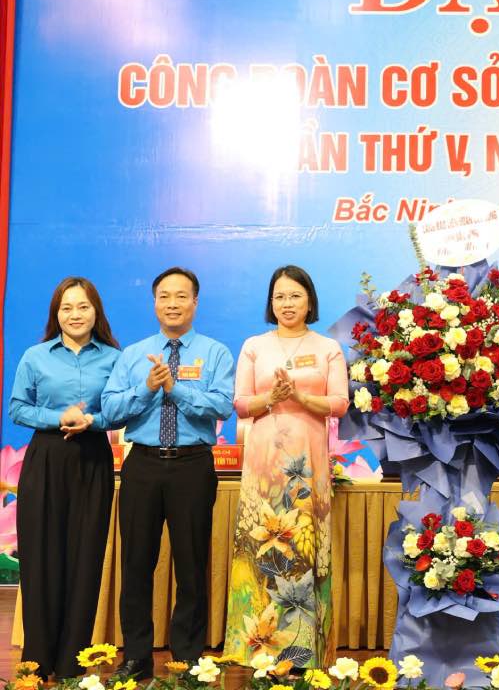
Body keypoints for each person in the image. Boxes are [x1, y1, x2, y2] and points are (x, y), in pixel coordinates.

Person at [102, 267, 234, 679]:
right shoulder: (134, 354)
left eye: (181, 296)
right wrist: (147, 387)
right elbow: (110, 410)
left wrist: (175, 387)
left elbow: (221, 406)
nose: (172, 303)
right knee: (137, 563)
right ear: (154, 303)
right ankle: (137, 657)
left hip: (192, 466)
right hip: (141, 463)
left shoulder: (215, 353)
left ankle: (188, 657)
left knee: (192, 564)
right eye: (164, 296)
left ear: (195, 302)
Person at [223, 265, 349, 668]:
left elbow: (340, 404)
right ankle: (258, 650)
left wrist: (300, 396)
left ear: (309, 300)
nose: (286, 303)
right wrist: (272, 398)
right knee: (261, 547)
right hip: (263, 465)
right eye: (279, 296)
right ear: (270, 303)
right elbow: (241, 403)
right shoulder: (254, 345)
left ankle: (302, 650)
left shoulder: (327, 346)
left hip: (307, 465)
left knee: (302, 549)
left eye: (294, 295)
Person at [8, 277, 121, 679]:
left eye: (83, 307)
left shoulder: (112, 358)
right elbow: (18, 408)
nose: (75, 315)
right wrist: (58, 417)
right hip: (47, 458)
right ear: (57, 314)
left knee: (85, 557)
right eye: (67, 308)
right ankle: (37, 662)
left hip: (93, 459)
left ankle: (75, 662)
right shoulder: (36, 356)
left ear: (96, 312)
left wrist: (92, 420)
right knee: (41, 557)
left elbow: (121, 412)